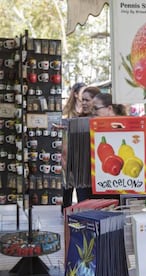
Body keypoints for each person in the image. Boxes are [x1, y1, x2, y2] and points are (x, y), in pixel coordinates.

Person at [61, 82, 86, 213]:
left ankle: (82, 209)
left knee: (81, 183)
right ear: (76, 94)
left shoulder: (88, 110)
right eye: (83, 91)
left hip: (82, 152)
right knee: (68, 185)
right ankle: (65, 210)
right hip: (69, 150)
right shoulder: (68, 112)